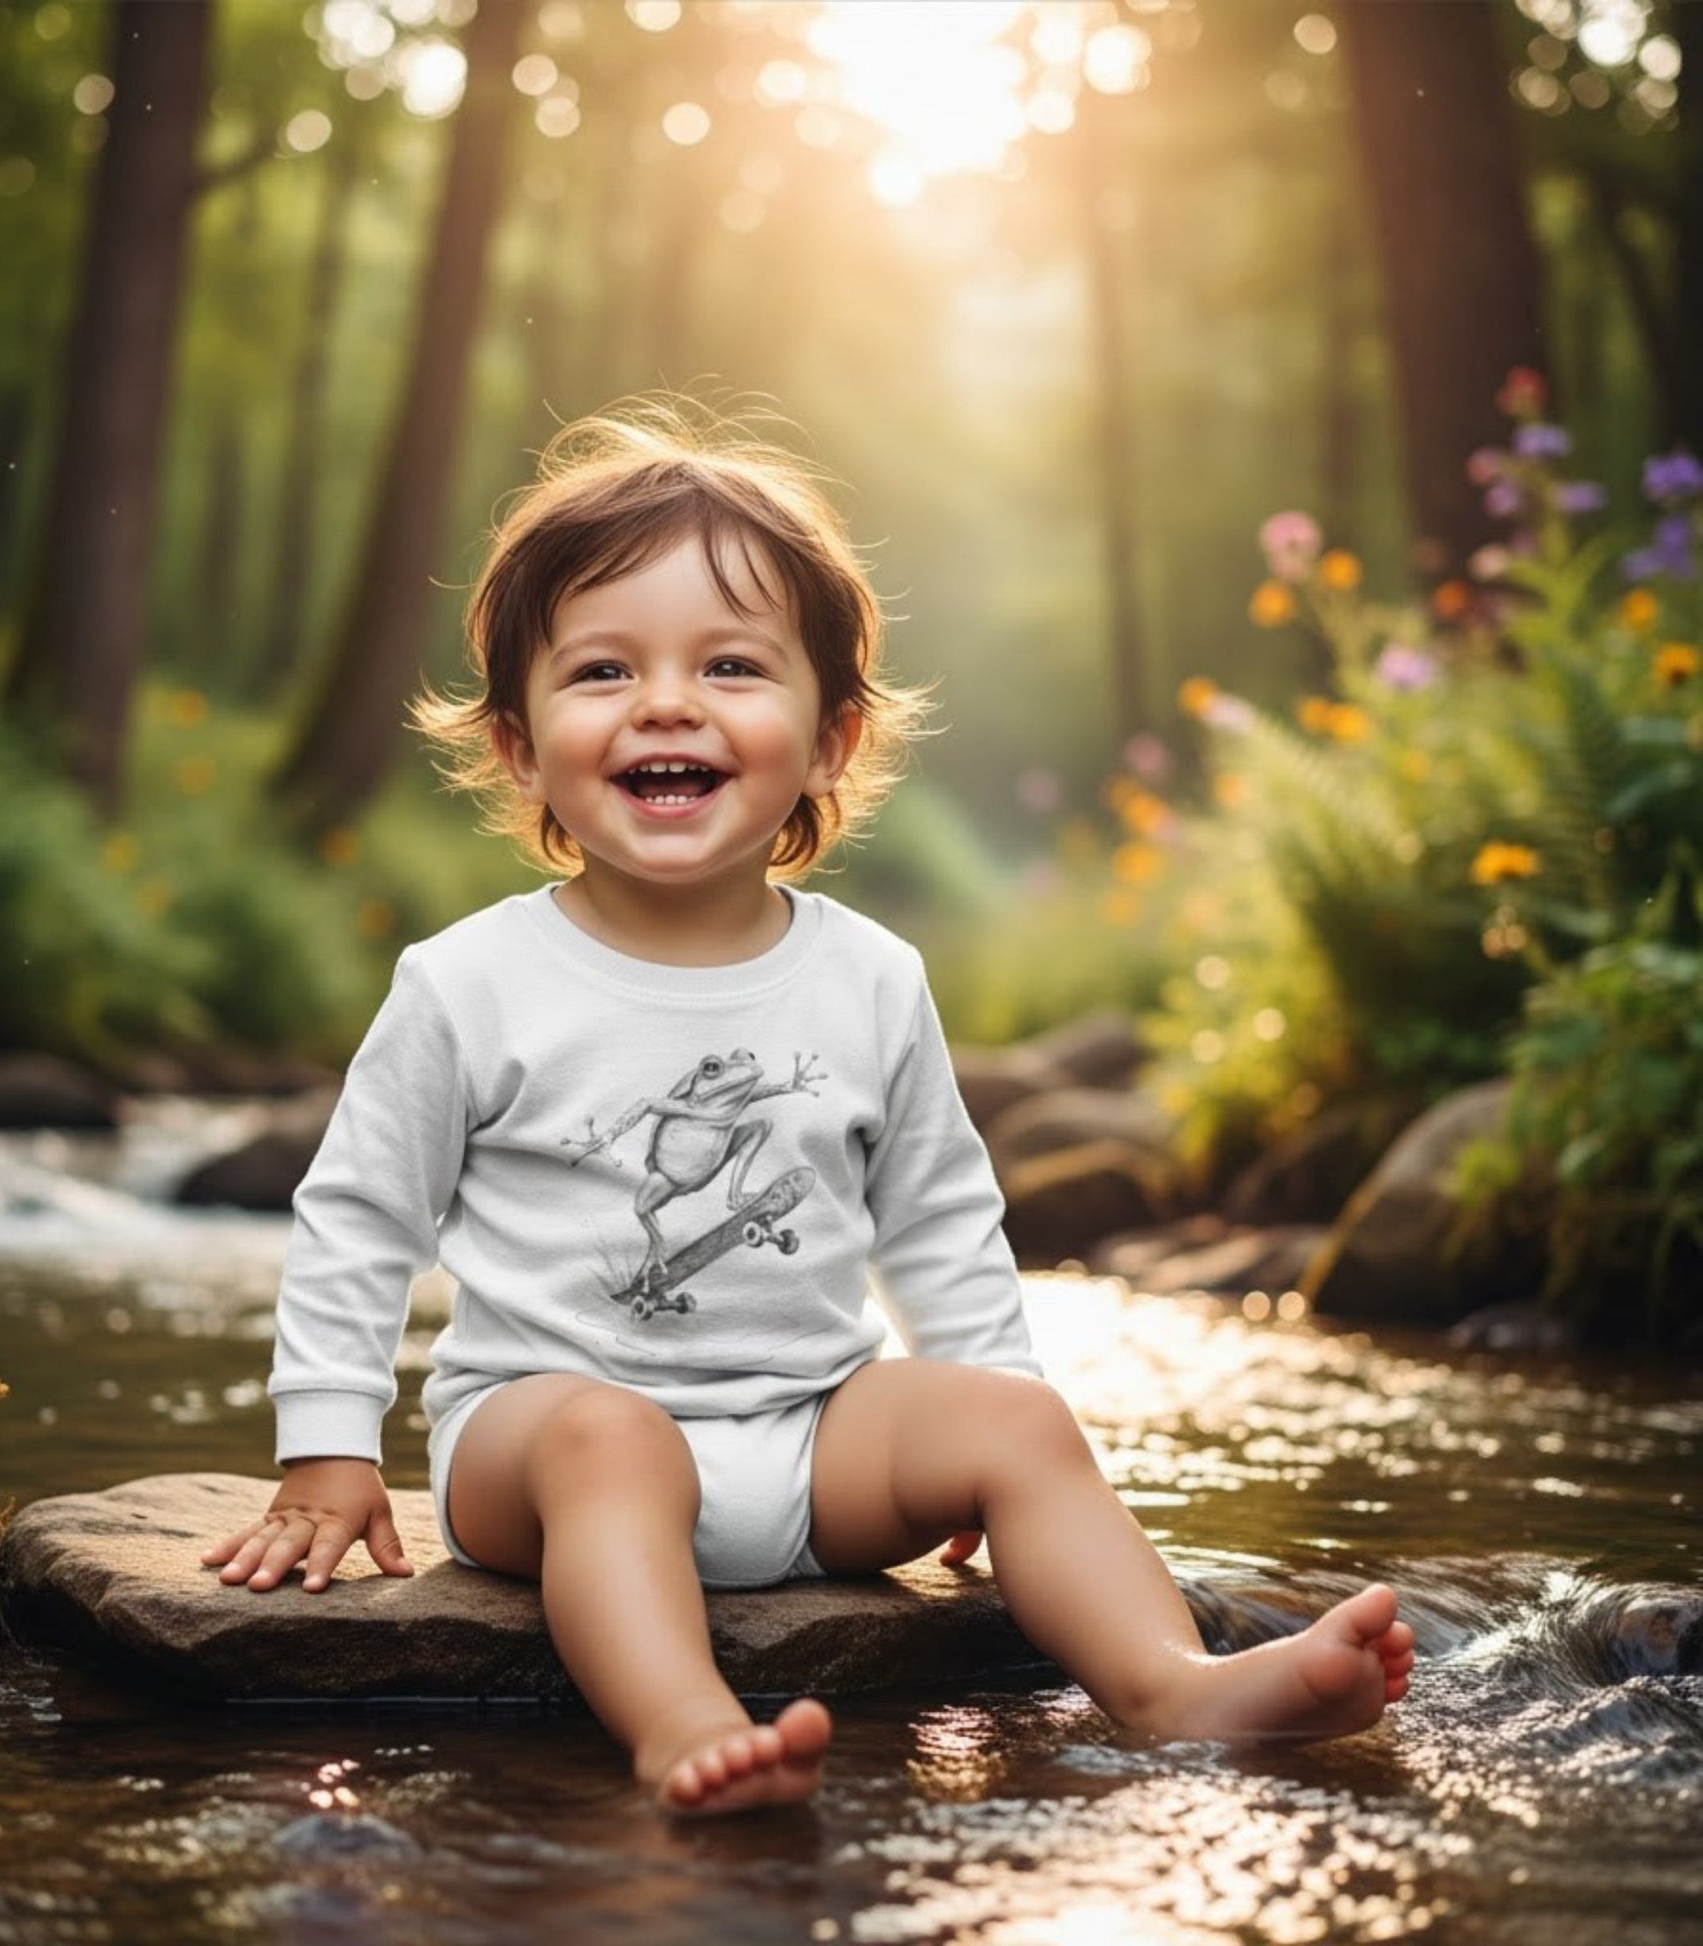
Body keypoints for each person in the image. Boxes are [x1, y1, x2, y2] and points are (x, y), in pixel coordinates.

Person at [203, 400, 1414, 1817]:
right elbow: (356, 1215)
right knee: (613, 1438)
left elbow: (945, 1220)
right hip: (537, 1450)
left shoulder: (867, 978)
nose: (666, 703)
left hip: (807, 1435)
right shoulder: (469, 979)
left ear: (830, 738)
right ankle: (682, 1729)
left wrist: (977, 1416)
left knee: (1015, 1425)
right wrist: (330, 1446)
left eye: (729, 665)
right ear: (521, 748)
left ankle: (1171, 1683)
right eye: (602, 670)